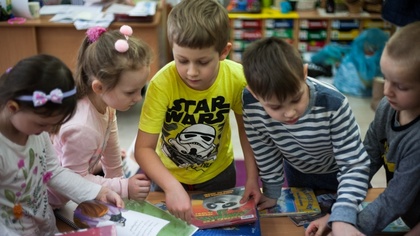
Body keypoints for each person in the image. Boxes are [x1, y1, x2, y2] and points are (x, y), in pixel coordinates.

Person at [134, 0, 256, 224]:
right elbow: (143, 149)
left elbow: (247, 132)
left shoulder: (237, 78)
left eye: (202, 62)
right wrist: (171, 187)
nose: (191, 71)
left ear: (224, 52)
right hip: (166, 177)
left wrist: (252, 177)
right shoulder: (161, 83)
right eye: (181, 60)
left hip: (219, 176)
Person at [240, 37, 371, 234]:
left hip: (341, 175)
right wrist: (272, 191)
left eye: (296, 99)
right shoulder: (250, 101)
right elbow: (264, 147)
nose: (290, 113)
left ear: (304, 73)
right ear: (255, 93)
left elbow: (354, 164)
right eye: (275, 107)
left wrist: (343, 212)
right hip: (298, 173)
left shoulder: (333, 103)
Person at [306, 21, 420, 236]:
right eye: (385, 78)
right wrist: (338, 215)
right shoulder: (387, 108)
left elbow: (395, 200)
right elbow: (364, 161)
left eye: (401, 86)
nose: (386, 91)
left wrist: (352, 227)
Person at [0, 54, 123, 236]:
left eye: (54, 124)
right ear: (13, 107)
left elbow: (53, 171)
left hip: (45, 225)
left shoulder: (37, 131)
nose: (49, 131)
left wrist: (99, 192)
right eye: (43, 124)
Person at [49, 25, 153, 208]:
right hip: (54, 202)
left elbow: (112, 155)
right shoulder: (82, 127)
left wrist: (119, 183)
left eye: (141, 90)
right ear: (99, 87)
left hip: (74, 189)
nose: (138, 99)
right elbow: (74, 181)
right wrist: (124, 187)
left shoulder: (106, 104)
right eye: (130, 92)